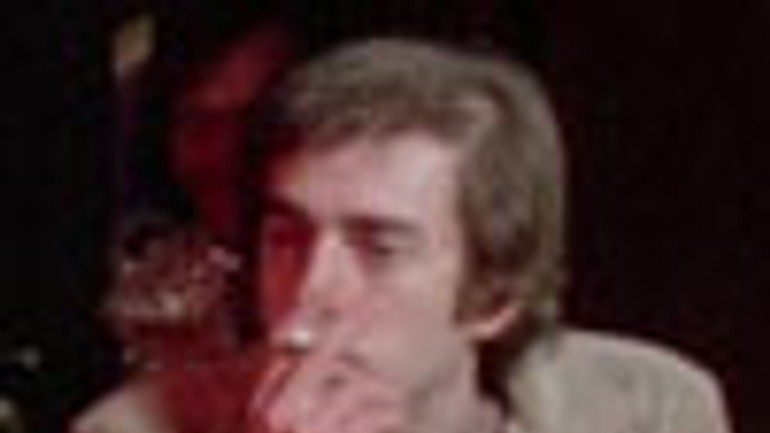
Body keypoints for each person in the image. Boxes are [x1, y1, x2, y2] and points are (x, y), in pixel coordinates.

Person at [73, 38, 732, 433]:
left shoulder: (649, 407)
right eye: (287, 237)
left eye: (379, 248)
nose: (308, 295)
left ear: (495, 292)